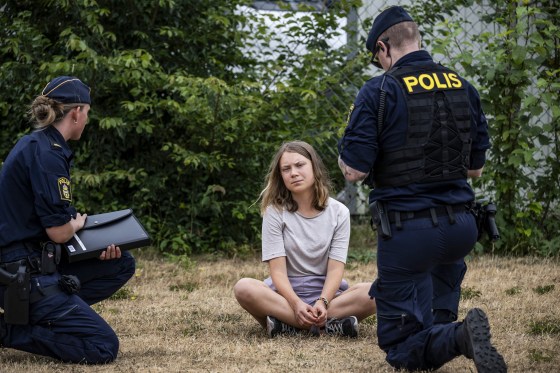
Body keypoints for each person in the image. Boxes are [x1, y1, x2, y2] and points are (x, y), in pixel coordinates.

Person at [337, 6, 507, 373]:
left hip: (408, 234)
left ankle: (462, 337)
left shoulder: (379, 90)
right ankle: (454, 334)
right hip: (462, 227)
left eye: (377, 56)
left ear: (384, 47)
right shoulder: (464, 86)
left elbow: (354, 170)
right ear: (417, 38)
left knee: (400, 347)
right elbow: (475, 169)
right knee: (432, 325)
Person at [0, 76, 136, 363]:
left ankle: (54, 312)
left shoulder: (38, 145)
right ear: (76, 112)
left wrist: (91, 243)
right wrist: (75, 224)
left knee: (121, 262)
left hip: (32, 261)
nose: (86, 120)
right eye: (87, 113)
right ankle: (9, 330)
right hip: (23, 273)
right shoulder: (48, 155)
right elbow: (59, 232)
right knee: (103, 346)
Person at [234, 140, 375, 338]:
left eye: (300, 165)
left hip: (329, 298)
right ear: (281, 176)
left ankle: (287, 326)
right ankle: (330, 326)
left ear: (314, 167)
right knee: (244, 288)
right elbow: (277, 272)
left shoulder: (339, 212)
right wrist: (296, 303)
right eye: (286, 169)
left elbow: (336, 269)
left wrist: (322, 302)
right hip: (284, 298)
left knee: (377, 291)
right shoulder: (274, 212)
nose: (293, 173)